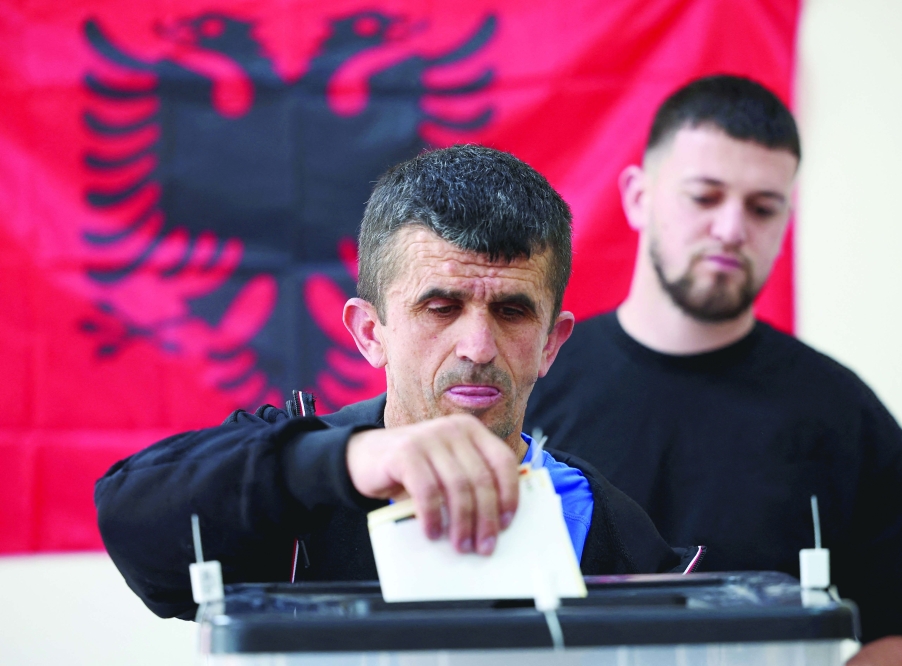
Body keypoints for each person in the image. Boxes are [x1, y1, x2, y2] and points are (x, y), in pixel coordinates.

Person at [95, 145, 692, 621]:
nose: (478, 347)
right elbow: (132, 524)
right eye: (440, 308)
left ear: (551, 344)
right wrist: (340, 463)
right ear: (369, 332)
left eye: (512, 312)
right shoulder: (297, 482)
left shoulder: (605, 525)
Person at [525, 76, 902, 665]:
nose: (732, 230)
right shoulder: (532, 379)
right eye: (704, 197)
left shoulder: (840, 411)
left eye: (762, 208)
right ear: (637, 198)